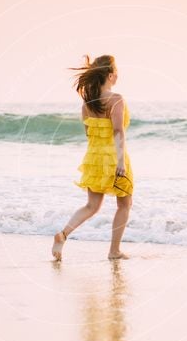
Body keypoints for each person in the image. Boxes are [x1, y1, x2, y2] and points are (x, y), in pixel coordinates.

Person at [51, 54, 134, 261]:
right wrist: (121, 161)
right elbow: (117, 131)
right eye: (116, 72)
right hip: (114, 157)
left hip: (93, 158)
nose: (117, 76)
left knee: (91, 206)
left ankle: (63, 234)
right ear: (110, 75)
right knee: (124, 204)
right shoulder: (116, 99)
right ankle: (114, 251)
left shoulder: (87, 104)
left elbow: (89, 134)